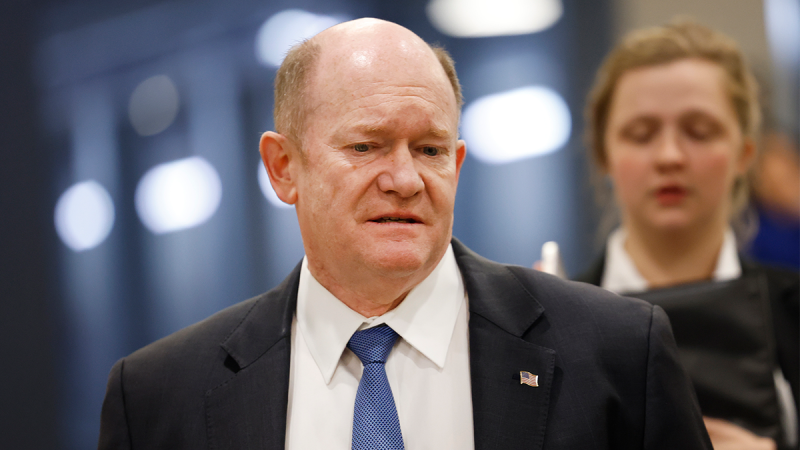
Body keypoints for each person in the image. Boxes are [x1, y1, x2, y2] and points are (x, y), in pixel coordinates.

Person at [98, 18, 711, 449]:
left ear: (457, 165)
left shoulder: (618, 354)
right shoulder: (159, 398)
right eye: (366, 146)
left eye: (430, 149)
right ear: (283, 168)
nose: (405, 180)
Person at [576, 20, 799, 450]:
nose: (670, 156)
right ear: (605, 154)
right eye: (641, 134)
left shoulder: (793, 314)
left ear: (745, 153)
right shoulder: (551, 329)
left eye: (700, 131)